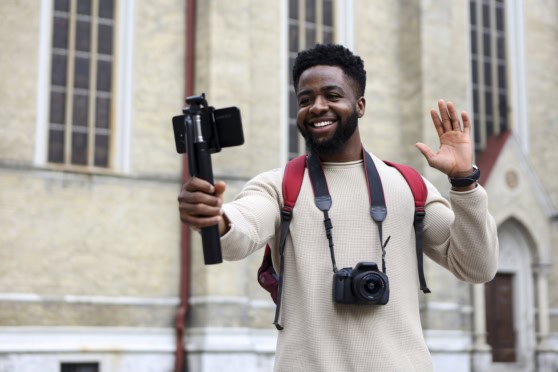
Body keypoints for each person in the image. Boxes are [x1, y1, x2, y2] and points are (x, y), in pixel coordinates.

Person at [178, 44, 498, 372]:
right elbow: (240, 229)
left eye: (332, 95)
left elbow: (477, 267)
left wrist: (464, 182)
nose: (317, 107)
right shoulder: (278, 185)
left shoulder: (407, 185)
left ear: (359, 106)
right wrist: (215, 218)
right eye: (305, 100)